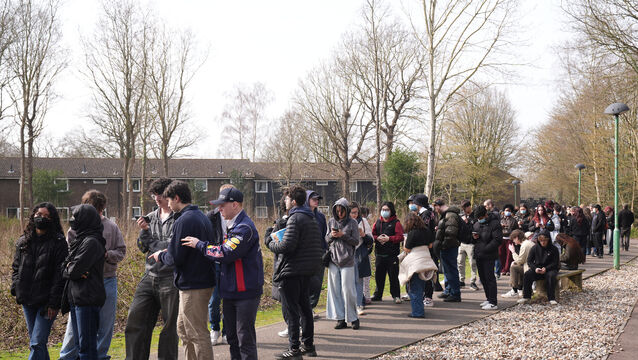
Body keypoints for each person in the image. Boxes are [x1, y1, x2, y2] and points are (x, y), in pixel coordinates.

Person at [182, 186, 264, 360]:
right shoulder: (231, 225)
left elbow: (224, 253)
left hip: (245, 293)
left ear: (235, 205)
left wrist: (199, 244)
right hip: (230, 292)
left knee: (245, 340)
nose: (219, 209)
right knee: (233, 339)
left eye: (222, 205)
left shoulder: (244, 228)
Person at [150, 180, 216, 360]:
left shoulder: (184, 220)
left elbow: (175, 258)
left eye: (168, 200)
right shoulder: (200, 216)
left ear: (177, 198)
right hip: (195, 282)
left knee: (196, 332)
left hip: (194, 284)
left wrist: (160, 256)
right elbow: (182, 250)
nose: (168, 204)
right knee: (183, 330)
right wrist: (169, 251)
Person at [61, 190, 127, 360]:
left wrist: (106, 255)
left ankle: (100, 355)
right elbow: (68, 254)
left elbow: (121, 251)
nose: (96, 213)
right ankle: (67, 356)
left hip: (106, 279)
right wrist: (76, 265)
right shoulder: (76, 227)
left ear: (102, 208)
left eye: (98, 209)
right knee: (74, 327)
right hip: (83, 283)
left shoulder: (111, 227)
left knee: (105, 325)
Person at [266, 185, 324, 360]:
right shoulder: (311, 218)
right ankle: (309, 346)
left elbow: (287, 246)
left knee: (292, 312)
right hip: (307, 271)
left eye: (286, 198)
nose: (285, 201)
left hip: (292, 271)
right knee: (305, 309)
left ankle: (294, 349)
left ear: (293, 201)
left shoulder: (295, 218)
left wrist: (269, 241)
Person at [125, 177, 180, 359]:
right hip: (149, 275)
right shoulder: (150, 217)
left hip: (171, 278)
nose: (157, 198)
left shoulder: (180, 217)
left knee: (169, 328)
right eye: (154, 194)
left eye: (161, 194)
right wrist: (144, 232)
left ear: (170, 194)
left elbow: (173, 249)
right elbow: (142, 248)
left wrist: (153, 242)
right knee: (135, 321)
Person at [11, 203, 68, 360]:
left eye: (46, 216)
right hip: (27, 299)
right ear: (33, 216)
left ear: (52, 219)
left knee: (37, 342)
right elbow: (16, 267)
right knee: (37, 342)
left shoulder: (59, 242)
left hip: (47, 302)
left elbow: (60, 274)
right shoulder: (23, 241)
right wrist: (16, 286)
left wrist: (54, 302)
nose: (41, 218)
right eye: (38, 215)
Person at [61, 204, 107, 360]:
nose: (72, 220)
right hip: (76, 298)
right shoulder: (78, 240)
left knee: (86, 347)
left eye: (76, 217)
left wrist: (70, 269)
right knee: (80, 346)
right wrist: (69, 268)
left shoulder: (92, 242)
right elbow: (65, 267)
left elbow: (73, 270)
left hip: (87, 298)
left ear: (85, 219)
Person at [325, 197, 360, 329]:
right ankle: (340, 318)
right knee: (335, 291)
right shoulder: (331, 221)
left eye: (342, 211)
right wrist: (332, 236)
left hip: (347, 260)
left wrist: (342, 235)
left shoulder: (353, 223)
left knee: (348, 291)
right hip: (333, 260)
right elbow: (326, 238)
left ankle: (353, 318)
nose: (339, 214)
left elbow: (356, 241)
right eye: (337, 211)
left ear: (346, 210)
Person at [207, 184, 234, 346]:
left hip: (230, 262)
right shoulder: (211, 216)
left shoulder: (237, 217)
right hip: (215, 262)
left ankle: (227, 332)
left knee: (229, 299)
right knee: (214, 299)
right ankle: (214, 328)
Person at [398, 213, 437, 318]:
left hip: (415, 263)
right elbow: (430, 245)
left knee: (413, 289)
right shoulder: (427, 231)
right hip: (426, 262)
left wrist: (404, 245)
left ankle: (417, 312)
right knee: (420, 287)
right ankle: (420, 309)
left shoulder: (412, 233)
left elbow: (407, 249)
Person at [371, 201, 404, 303]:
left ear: (391, 211)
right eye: (383, 210)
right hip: (380, 254)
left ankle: (396, 296)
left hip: (392, 255)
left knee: (393, 276)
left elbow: (400, 237)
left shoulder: (396, 223)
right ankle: (378, 294)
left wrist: (389, 239)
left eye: (387, 210)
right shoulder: (377, 222)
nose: (384, 212)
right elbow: (372, 235)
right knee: (379, 276)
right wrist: (377, 238)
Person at [518, 230, 560, 305]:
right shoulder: (534, 248)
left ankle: (551, 298)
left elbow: (555, 263)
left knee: (551, 276)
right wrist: (535, 268)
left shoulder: (554, 249)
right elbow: (529, 261)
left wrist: (546, 268)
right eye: (541, 241)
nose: (543, 242)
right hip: (538, 269)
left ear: (548, 240)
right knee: (527, 274)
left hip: (550, 269)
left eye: (545, 240)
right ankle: (526, 296)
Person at [472, 205, 502, 310]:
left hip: (489, 254)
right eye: (478, 219)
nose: (479, 220)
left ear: (485, 215)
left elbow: (497, 240)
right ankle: (488, 298)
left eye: (481, 218)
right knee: (483, 278)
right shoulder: (476, 224)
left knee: (490, 278)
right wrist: (474, 237)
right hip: (479, 254)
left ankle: (493, 301)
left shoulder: (494, 223)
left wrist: (485, 249)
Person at [434, 201, 462, 302]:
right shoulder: (447, 214)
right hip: (448, 246)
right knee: (448, 270)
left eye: (436, 207)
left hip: (449, 247)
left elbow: (451, 233)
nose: (435, 210)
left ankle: (455, 294)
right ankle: (448, 290)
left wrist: (443, 245)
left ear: (438, 206)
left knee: (451, 270)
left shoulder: (450, 215)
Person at [306, 190, 328, 315]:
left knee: (317, 283)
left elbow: (324, 234)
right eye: (313, 199)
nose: (316, 201)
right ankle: (306, 309)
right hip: (306, 254)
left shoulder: (320, 216)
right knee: (307, 283)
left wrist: (325, 250)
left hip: (319, 253)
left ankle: (311, 307)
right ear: (307, 199)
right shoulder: (302, 214)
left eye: (317, 199)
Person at [349, 201, 373, 315]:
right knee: (348, 281)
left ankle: (359, 304)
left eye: (356, 213)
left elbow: (370, 240)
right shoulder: (343, 222)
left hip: (359, 254)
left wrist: (363, 234)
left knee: (359, 280)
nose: (354, 215)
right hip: (347, 254)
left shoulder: (363, 222)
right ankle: (350, 304)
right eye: (352, 213)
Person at [501, 230, 532, 298]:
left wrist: (513, 252)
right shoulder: (527, 243)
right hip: (530, 266)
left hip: (530, 269)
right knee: (517, 266)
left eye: (513, 239)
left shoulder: (525, 245)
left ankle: (514, 290)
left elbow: (520, 260)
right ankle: (519, 289)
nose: (513, 242)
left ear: (517, 238)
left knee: (514, 267)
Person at [458, 200, 479, 291]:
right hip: (462, 243)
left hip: (471, 243)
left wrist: (467, 222)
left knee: (472, 263)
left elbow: (475, 228)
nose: (464, 210)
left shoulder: (475, 216)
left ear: (469, 207)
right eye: (463, 209)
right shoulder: (462, 216)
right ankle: (461, 280)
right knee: (460, 262)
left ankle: (472, 281)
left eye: (465, 208)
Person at [498, 204, 518, 276]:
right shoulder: (500, 220)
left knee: (509, 255)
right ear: (503, 211)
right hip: (502, 238)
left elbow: (516, 229)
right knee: (501, 254)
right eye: (506, 210)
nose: (507, 212)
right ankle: (503, 269)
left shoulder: (514, 220)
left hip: (510, 238)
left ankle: (508, 269)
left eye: (509, 211)